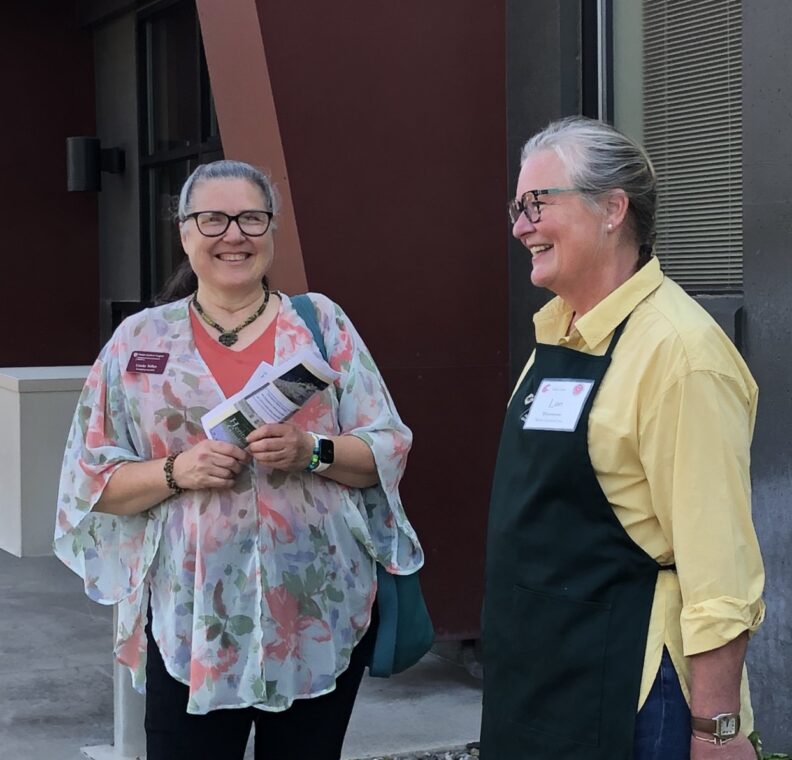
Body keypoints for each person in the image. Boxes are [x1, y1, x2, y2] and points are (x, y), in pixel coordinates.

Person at [54, 159, 423, 760]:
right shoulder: (140, 342)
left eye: (252, 218)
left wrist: (312, 451)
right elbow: (91, 483)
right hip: (191, 625)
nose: (234, 235)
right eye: (213, 219)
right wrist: (177, 472)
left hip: (315, 614)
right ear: (184, 232)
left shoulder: (320, 325)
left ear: (272, 231)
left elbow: (388, 448)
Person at [481, 117, 765, 760]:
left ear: (613, 209)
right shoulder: (558, 335)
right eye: (516, 207)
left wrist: (715, 732)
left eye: (537, 203)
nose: (521, 225)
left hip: (630, 696)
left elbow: (720, 569)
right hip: (538, 680)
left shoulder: (682, 354)